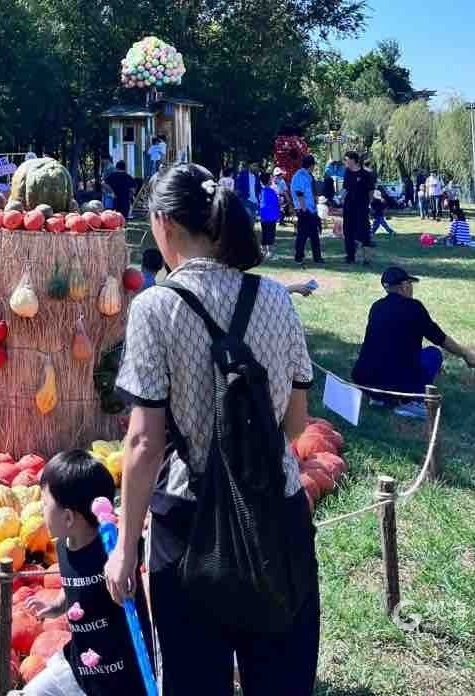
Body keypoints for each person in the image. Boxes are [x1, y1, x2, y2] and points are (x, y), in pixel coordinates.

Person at [105, 163, 320, 696]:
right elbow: (297, 423)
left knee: (195, 680)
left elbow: (144, 441)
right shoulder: (274, 296)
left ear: (163, 224)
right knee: (281, 677)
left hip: (190, 524)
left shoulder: (155, 306)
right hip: (277, 510)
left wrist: (125, 547)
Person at [16, 450, 153, 696]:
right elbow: (75, 587)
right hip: (80, 664)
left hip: (122, 675)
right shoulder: (63, 545)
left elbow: (137, 559)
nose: (40, 508)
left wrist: (127, 550)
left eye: (45, 503)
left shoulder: (113, 552)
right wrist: (57, 607)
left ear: (68, 517)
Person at [352, 266, 475, 418]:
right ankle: (412, 402)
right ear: (404, 286)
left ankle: (379, 399)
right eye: (411, 284)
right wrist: (465, 353)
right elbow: (439, 338)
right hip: (397, 383)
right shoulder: (414, 307)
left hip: (364, 380)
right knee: (433, 354)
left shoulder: (376, 306)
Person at [342, 151, 375, 265]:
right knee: (348, 233)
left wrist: (369, 204)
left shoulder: (366, 174)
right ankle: (350, 256)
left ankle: (367, 259)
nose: (345, 162)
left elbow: (371, 191)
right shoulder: (347, 173)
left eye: (346, 159)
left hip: (362, 208)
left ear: (353, 160)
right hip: (348, 208)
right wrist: (340, 200)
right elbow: (345, 189)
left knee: (364, 233)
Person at [291, 154, 323, 265]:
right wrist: (304, 209)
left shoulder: (308, 175)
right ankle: (298, 257)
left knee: (314, 234)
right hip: (304, 209)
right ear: (311, 165)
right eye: (314, 165)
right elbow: (299, 193)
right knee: (302, 235)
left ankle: (317, 257)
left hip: (311, 209)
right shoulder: (299, 175)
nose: (314, 167)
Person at [258, 171, 280, 259]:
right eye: (270, 179)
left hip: (263, 216)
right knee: (270, 234)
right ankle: (270, 253)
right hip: (271, 217)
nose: (272, 180)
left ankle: (263, 251)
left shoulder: (261, 192)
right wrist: (278, 215)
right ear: (268, 181)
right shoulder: (272, 191)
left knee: (264, 233)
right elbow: (276, 204)